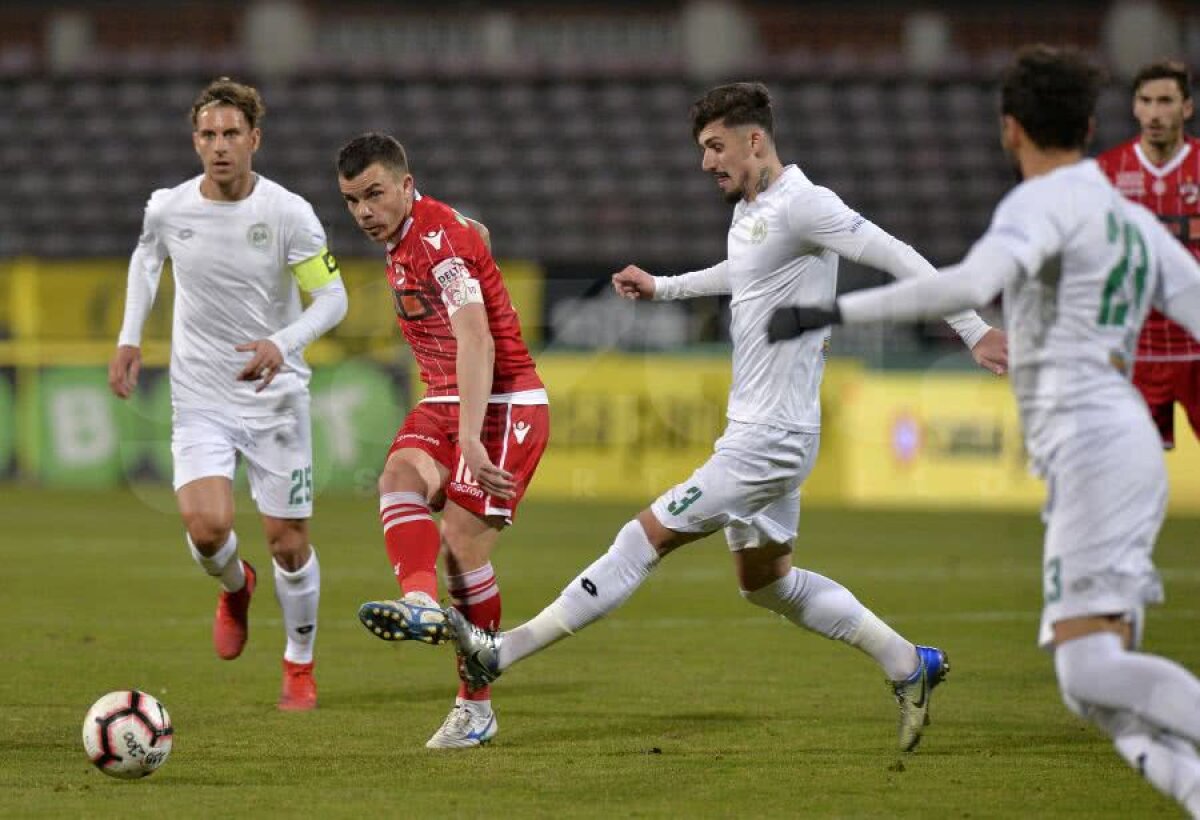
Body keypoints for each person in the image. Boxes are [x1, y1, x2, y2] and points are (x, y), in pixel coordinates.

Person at [447, 81, 1009, 753]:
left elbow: (898, 257)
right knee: (768, 585)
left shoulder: (807, 204)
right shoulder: (751, 210)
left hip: (769, 438)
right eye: (702, 150)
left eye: (716, 147)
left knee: (642, 537)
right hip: (761, 431)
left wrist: (973, 329)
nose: (707, 162)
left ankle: (499, 654)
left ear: (755, 139)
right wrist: (664, 288)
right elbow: (741, 273)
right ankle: (906, 663)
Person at [767, 46, 1200, 816]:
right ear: (1095, 125)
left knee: (1089, 674)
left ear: (1009, 130)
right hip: (1120, 441)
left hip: (1095, 446)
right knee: (1096, 687)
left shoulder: (1038, 207)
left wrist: (829, 310)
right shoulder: (1127, 216)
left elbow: (970, 284)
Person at [108, 78, 348, 711]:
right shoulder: (167, 207)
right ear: (196, 140)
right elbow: (145, 260)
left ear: (254, 140)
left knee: (288, 543)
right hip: (201, 397)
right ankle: (236, 587)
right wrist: (130, 338)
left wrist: (283, 343)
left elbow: (333, 299)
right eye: (209, 135)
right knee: (208, 526)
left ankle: (299, 662)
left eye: (231, 134)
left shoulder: (288, 213)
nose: (220, 146)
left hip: (275, 398)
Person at [336, 133, 549, 749]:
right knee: (398, 478)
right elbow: (470, 234)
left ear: (406, 185)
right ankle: (423, 605)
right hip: (446, 397)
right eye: (352, 201)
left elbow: (477, 340)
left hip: (505, 403)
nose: (364, 212)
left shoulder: (436, 241)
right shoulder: (415, 234)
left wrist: (475, 446)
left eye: (375, 194)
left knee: (460, 547)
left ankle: (475, 707)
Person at [1096, 59, 1200, 450]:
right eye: (1147, 101)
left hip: (1197, 347)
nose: (1155, 113)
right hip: (1135, 352)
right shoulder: (1106, 172)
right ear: (1135, 107)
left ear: (1186, 108)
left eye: (1166, 101)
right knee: (1127, 474)